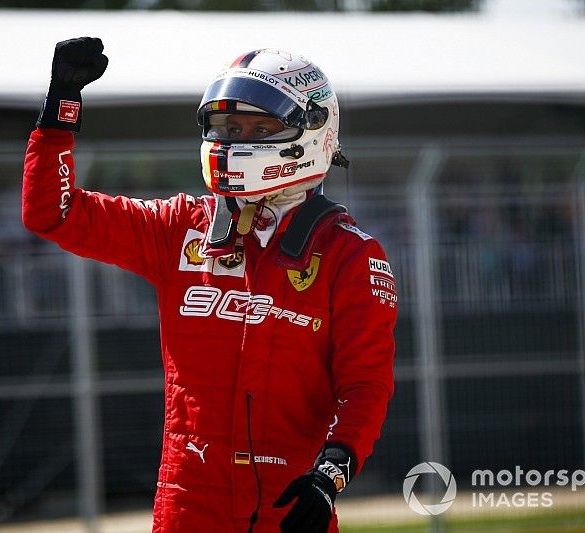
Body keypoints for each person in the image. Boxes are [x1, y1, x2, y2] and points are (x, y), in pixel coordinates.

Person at [22, 37, 397, 533]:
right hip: (187, 504)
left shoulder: (352, 253)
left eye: (261, 127)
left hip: (292, 501)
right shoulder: (179, 226)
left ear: (312, 131)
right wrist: (61, 109)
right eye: (229, 126)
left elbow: (364, 386)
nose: (239, 140)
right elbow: (55, 213)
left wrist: (330, 475)